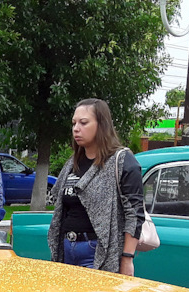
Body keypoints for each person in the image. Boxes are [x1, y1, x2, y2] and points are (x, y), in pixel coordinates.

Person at [46, 98, 144, 275]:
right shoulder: (72, 164)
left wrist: (127, 258)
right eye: (74, 123)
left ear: (102, 125)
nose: (76, 128)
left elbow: (134, 214)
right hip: (67, 248)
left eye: (84, 123)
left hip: (97, 251)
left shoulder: (121, 161)